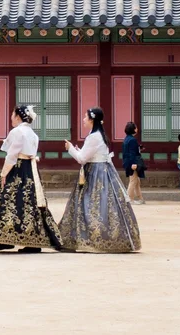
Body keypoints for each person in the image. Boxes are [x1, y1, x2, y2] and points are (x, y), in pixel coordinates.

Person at [0, 105, 62, 253]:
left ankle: (6, 238)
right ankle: (31, 242)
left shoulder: (17, 132)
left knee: (6, 201)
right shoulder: (33, 134)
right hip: (31, 170)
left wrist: (3, 173)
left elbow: (12, 155)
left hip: (18, 169)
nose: (11, 118)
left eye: (12, 115)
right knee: (29, 204)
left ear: (18, 117)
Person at [57, 107, 141, 253]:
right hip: (102, 171)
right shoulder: (97, 135)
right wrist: (78, 150)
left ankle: (94, 238)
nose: (83, 120)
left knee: (92, 205)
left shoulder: (94, 136)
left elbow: (82, 159)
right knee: (105, 205)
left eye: (85, 117)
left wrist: (70, 149)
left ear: (92, 119)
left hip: (95, 173)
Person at [122, 122, 145, 205]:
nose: (137, 129)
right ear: (134, 129)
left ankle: (140, 198)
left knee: (136, 181)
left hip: (127, 162)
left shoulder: (127, 139)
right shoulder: (132, 140)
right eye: (136, 127)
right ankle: (129, 199)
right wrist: (133, 163)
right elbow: (132, 153)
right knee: (133, 181)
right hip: (132, 163)